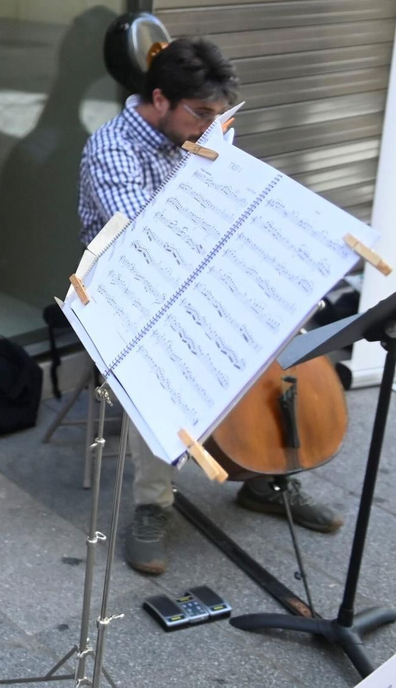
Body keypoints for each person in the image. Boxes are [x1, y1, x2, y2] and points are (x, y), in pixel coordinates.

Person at [77, 33, 345, 576]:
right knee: (154, 366)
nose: (212, 126)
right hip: (125, 287)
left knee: (284, 324)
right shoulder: (112, 149)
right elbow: (149, 245)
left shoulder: (206, 131)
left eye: (220, 116)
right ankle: (153, 506)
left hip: (200, 269)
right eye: (200, 114)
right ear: (159, 100)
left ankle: (266, 476)